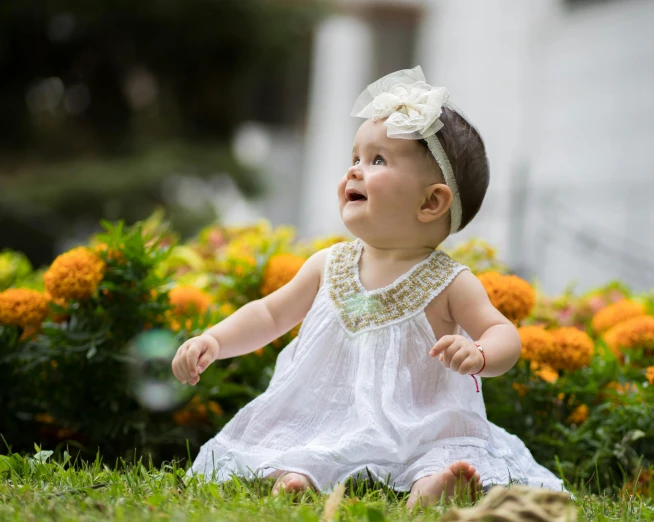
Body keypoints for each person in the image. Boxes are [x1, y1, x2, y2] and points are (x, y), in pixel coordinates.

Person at [172, 66, 564, 508]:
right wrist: (214, 340)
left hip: (420, 423)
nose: (354, 172)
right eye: (354, 158)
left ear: (431, 202)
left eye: (377, 161)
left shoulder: (450, 282)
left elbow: (503, 333)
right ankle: (297, 475)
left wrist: (481, 354)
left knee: (441, 451)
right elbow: (269, 314)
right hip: (327, 416)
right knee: (300, 441)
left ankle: (431, 485)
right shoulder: (329, 263)